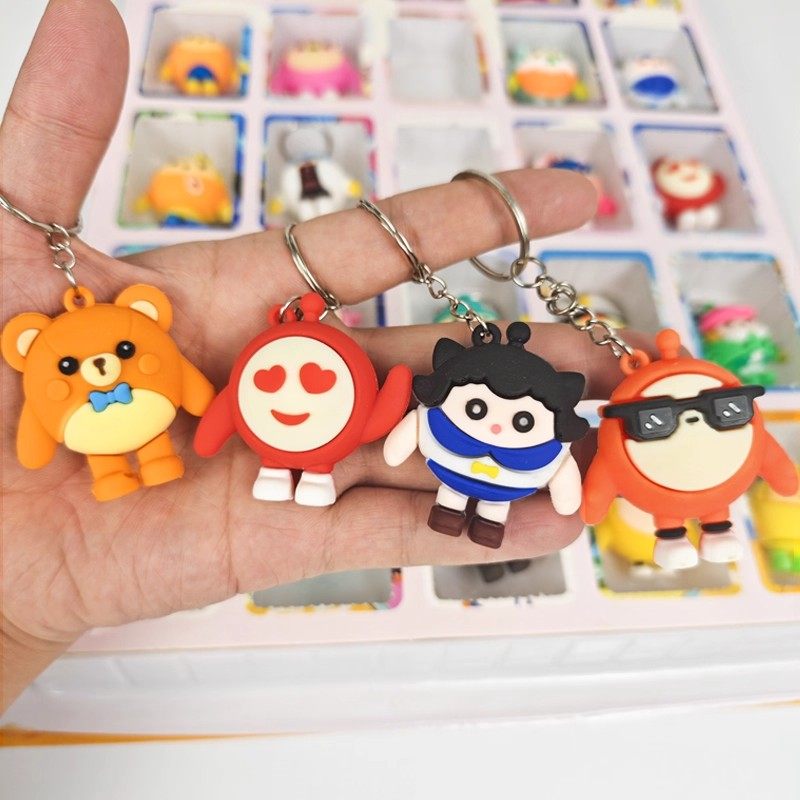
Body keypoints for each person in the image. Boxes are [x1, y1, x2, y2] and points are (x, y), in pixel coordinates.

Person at [0, 0, 649, 713]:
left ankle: (458, 505)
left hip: (373, 455)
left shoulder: (445, 411)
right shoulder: (245, 369)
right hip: (195, 446)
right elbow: (207, 400)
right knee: (240, 461)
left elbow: (226, 399)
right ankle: (197, 469)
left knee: (379, 481)